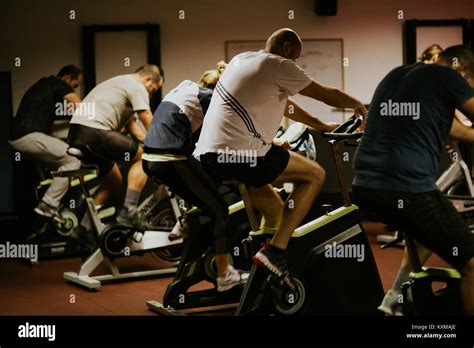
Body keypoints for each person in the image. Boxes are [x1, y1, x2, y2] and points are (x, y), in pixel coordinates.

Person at [194, 28, 367, 286]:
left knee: (275, 207)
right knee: (315, 175)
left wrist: (322, 125)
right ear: (286, 49)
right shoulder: (278, 64)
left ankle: (261, 257)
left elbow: (287, 106)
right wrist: (358, 105)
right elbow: (325, 93)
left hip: (209, 156)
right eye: (295, 57)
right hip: (243, 154)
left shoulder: (242, 59)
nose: (295, 63)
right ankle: (275, 252)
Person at [352, 45, 474, 315]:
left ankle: (393, 299)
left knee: (427, 229)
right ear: (462, 69)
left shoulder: (397, 74)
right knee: (472, 264)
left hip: (364, 186)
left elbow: (454, 128)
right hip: (407, 188)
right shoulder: (450, 77)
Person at [142, 62, 248, 291]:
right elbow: (234, 133)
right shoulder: (210, 99)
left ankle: (185, 220)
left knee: (202, 179)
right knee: (220, 210)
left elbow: (200, 144)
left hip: (151, 159)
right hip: (170, 159)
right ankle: (224, 276)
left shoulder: (185, 90)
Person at [67, 65, 164, 246]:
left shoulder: (121, 85)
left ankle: (83, 228)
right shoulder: (136, 85)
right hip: (93, 132)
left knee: (114, 181)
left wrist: (148, 142)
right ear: (149, 79)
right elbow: (146, 116)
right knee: (145, 156)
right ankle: (129, 211)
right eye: (154, 89)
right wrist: (162, 145)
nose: (152, 93)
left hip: (78, 134)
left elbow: (133, 128)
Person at [9, 65, 83, 219]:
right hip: (27, 135)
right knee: (73, 158)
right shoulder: (57, 82)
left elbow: (51, 128)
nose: (74, 89)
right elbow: (79, 106)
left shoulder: (45, 90)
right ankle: (48, 204)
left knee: (64, 161)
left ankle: (52, 201)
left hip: (22, 136)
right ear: (67, 78)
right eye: (75, 85)